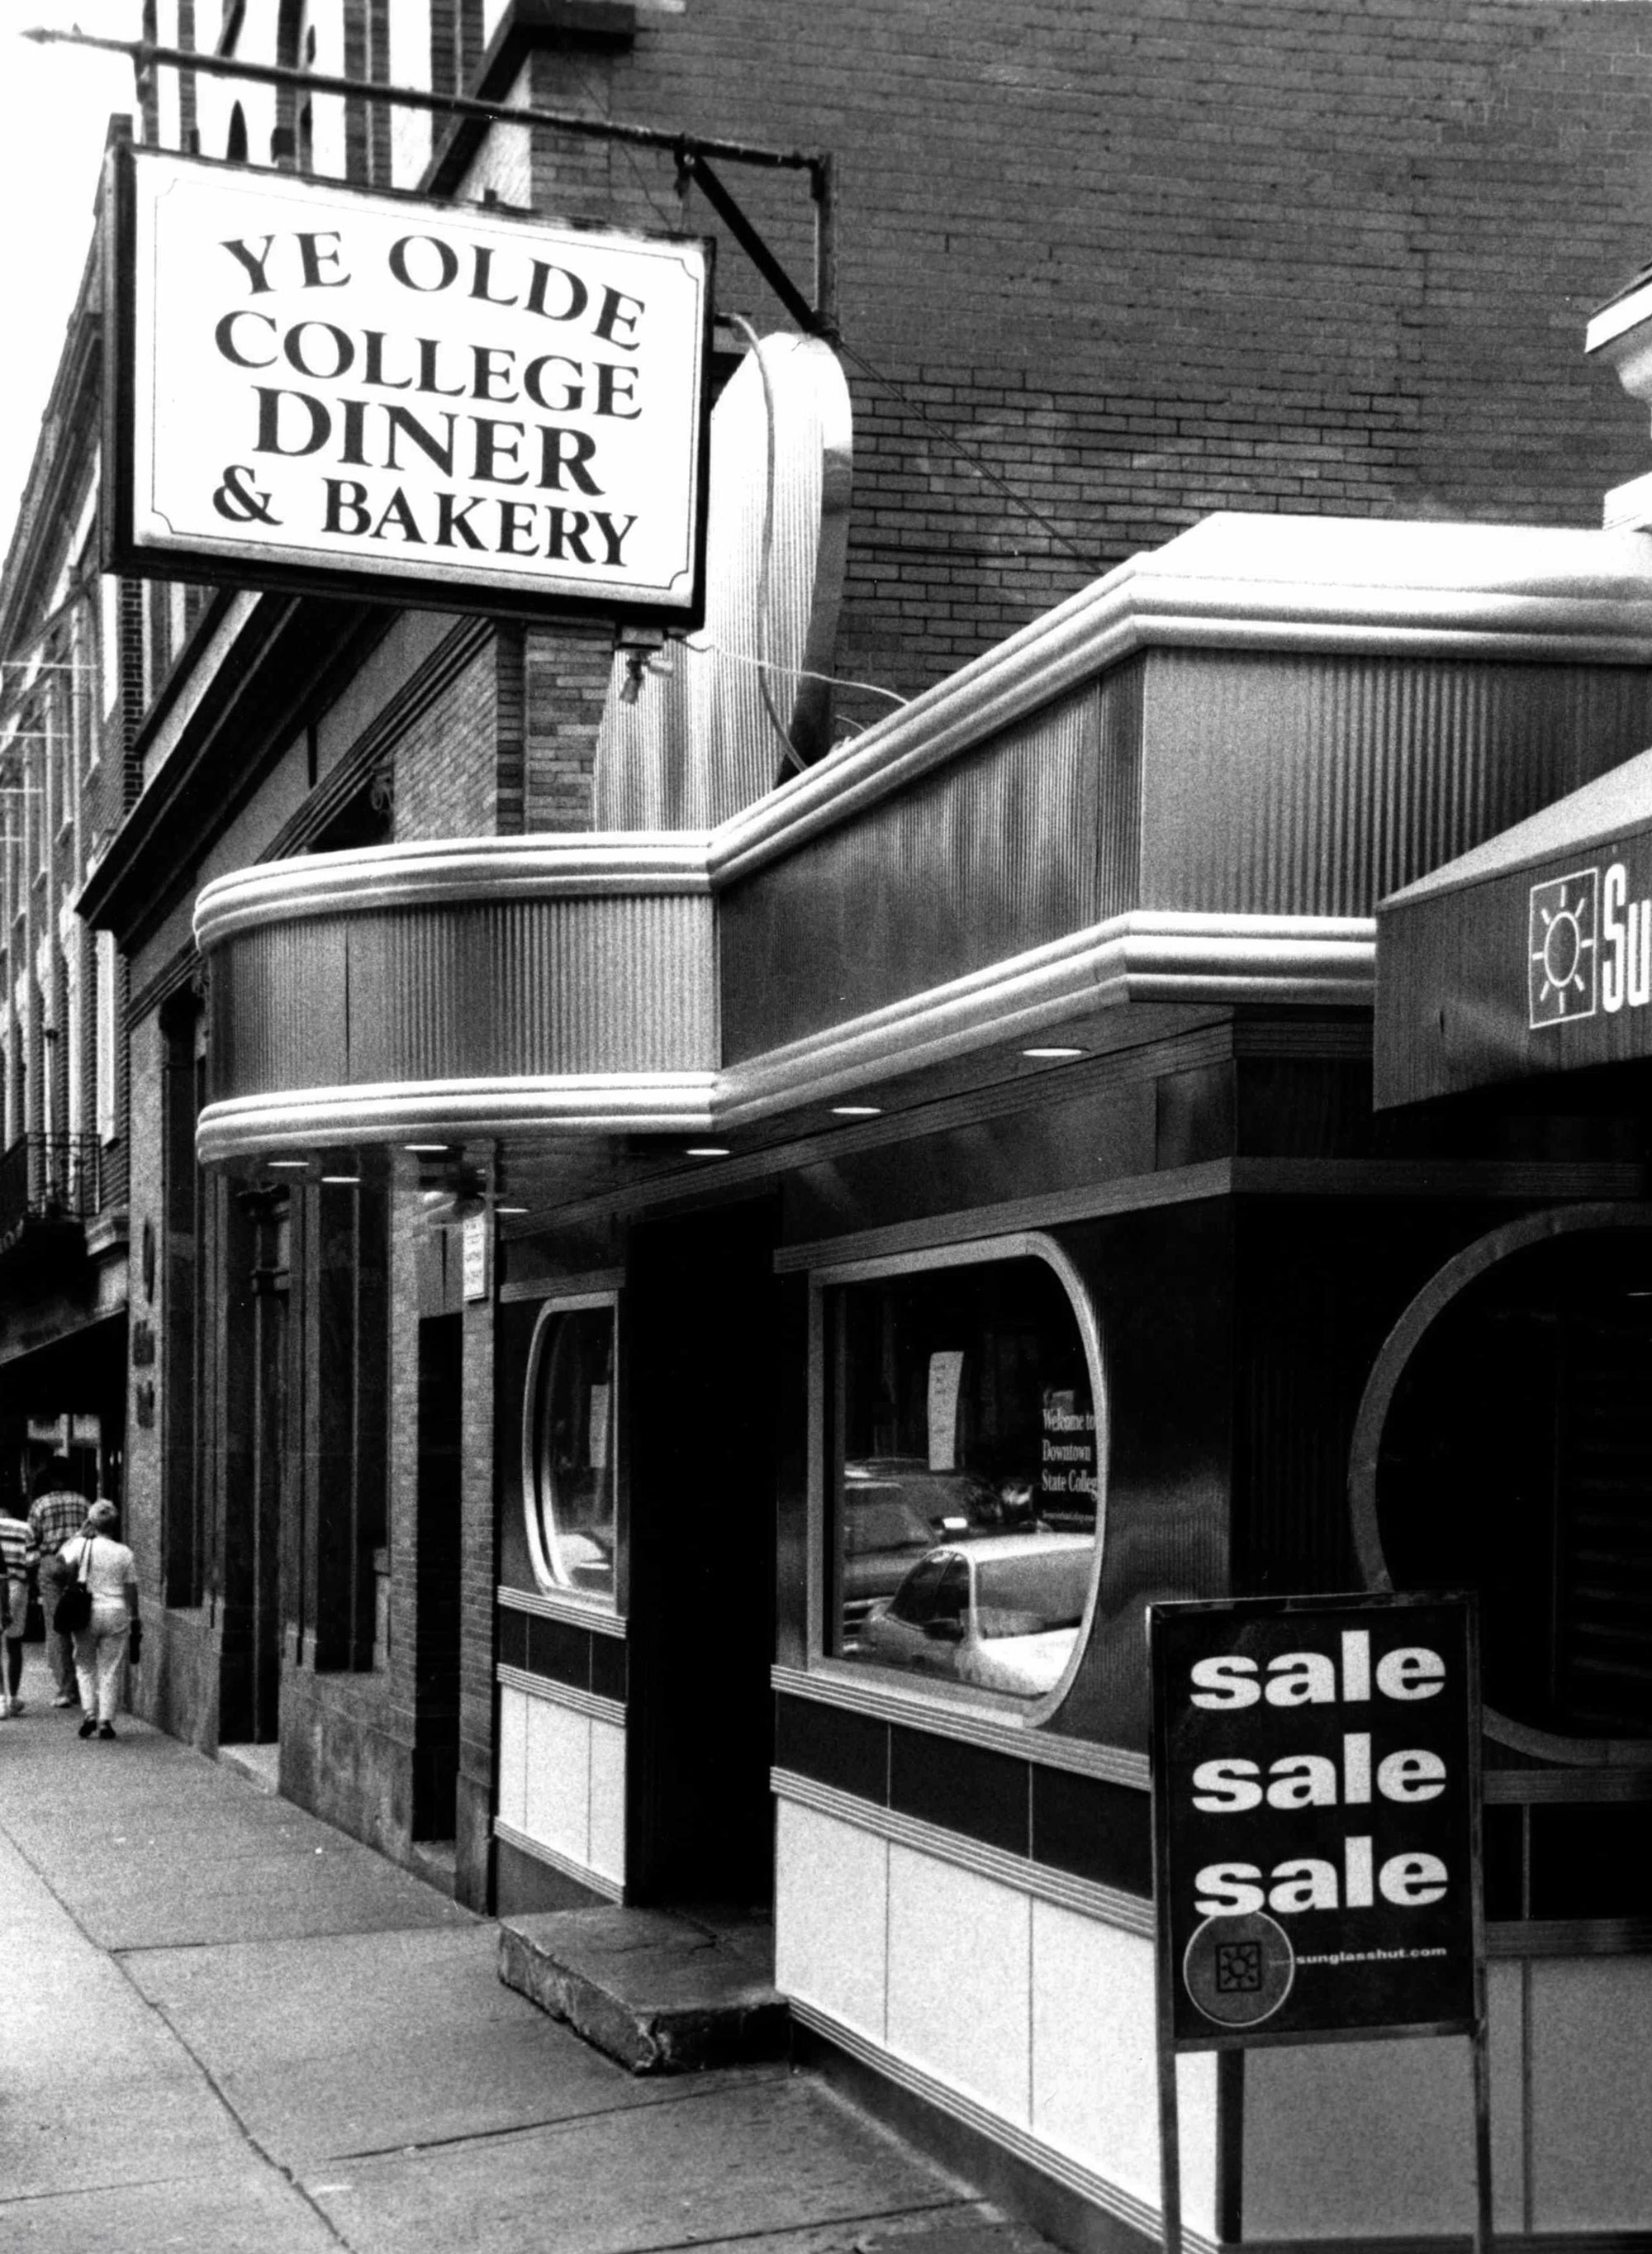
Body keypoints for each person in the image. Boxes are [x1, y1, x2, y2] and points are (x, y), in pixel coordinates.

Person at [58, 1500, 139, 1741]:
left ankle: (89, 1713)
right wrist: (135, 1617)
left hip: (86, 1612)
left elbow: (60, 1561)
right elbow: (131, 1588)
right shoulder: (124, 1552)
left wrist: (78, 1534)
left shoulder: (81, 1545)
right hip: (116, 1611)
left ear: (91, 1522)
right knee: (110, 1668)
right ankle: (106, 1721)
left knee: (84, 1664)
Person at [26, 1458, 89, 1709]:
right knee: (80, 1624)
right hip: (79, 1563)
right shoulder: (84, 1502)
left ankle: (65, 1689)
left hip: (51, 1562)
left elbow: (32, 1540)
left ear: (50, 1478)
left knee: (56, 1627)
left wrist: (33, 1575)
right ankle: (83, 1683)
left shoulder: (40, 1505)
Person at [0, 1494, 29, 1715]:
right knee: (14, 1643)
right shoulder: (23, 1528)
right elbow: (33, 1560)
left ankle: (0, 1699)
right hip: (17, 1585)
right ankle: (14, 1697)